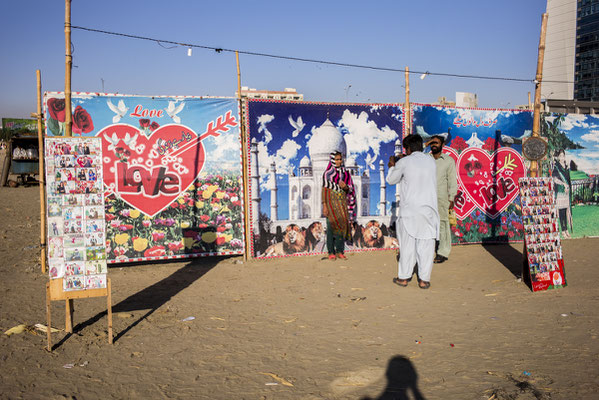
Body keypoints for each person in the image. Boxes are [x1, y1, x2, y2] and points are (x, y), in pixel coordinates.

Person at [386, 134, 439, 289]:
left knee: (408, 246)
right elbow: (417, 162)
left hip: (410, 211)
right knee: (426, 247)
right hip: (429, 210)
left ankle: (404, 278)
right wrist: (405, 159)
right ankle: (424, 280)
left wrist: (392, 166)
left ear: (407, 148)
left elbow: (391, 180)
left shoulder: (404, 162)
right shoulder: (431, 161)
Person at [426, 135, 457, 263]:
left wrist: (451, 198)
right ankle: (426, 251)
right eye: (432, 143)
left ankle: (442, 252)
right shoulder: (424, 159)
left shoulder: (448, 161)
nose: (434, 145)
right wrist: (426, 143)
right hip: (425, 197)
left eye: (436, 143)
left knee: (443, 224)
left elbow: (452, 181)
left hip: (441, 198)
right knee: (426, 224)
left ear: (443, 145)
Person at [322, 151, 356, 260]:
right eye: (336, 159)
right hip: (331, 205)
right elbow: (325, 191)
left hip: (341, 204)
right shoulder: (327, 174)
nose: (339, 161)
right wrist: (325, 205)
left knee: (341, 227)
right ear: (332, 160)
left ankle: (340, 251)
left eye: (340, 159)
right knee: (331, 228)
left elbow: (350, 189)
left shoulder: (346, 174)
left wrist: (345, 187)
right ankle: (331, 251)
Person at [552, 149, 573, 238]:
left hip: (566, 192)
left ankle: (566, 229)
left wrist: (568, 187)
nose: (562, 157)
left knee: (566, 211)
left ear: (565, 157)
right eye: (560, 156)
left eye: (563, 156)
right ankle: (563, 230)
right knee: (561, 212)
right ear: (558, 157)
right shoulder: (556, 167)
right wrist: (563, 184)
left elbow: (568, 179)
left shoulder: (566, 167)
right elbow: (554, 179)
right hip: (560, 192)